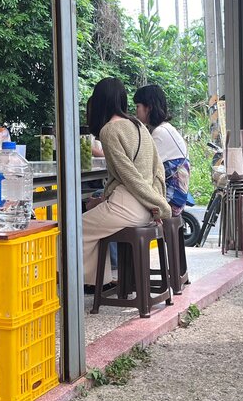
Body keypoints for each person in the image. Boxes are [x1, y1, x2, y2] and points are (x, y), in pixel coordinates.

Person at [81, 78, 170, 294]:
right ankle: (96, 281)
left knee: (72, 230)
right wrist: (155, 203)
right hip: (143, 208)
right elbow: (157, 169)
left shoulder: (109, 131)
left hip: (128, 205)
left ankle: (88, 283)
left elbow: (128, 175)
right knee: (91, 225)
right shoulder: (139, 125)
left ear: (99, 100)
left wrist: (158, 204)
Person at [133, 84, 191, 217]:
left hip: (170, 202)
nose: (136, 111)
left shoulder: (160, 133)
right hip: (176, 198)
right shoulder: (166, 128)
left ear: (149, 108)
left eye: (138, 106)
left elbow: (143, 168)